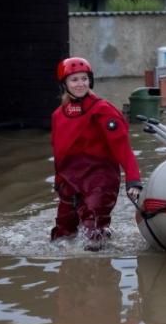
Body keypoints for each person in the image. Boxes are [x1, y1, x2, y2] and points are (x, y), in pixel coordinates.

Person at [50, 57, 142, 251]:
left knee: (93, 235)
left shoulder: (103, 110)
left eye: (84, 78)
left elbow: (122, 147)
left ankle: (100, 274)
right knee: (61, 235)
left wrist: (133, 180)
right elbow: (59, 152)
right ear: (64, 84)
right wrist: (59, 181)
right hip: (70, 181)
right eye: (74, 80)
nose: (80, 84)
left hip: (99, 179)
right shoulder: (58, 115)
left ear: (90, 81)